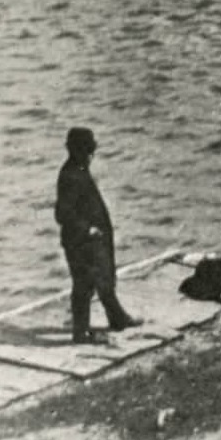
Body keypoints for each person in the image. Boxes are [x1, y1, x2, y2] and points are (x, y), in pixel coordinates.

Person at [54, 127, 142, 343]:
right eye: (87, 150)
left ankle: (117, 318)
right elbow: (62, 213)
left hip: (93, 240)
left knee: (104, 278)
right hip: (80, 241)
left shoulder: (80, 169)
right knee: (84, 285)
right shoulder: (70, 175)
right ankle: (80, 332)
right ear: (76, 150)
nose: (91, 155)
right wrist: (87, 229)